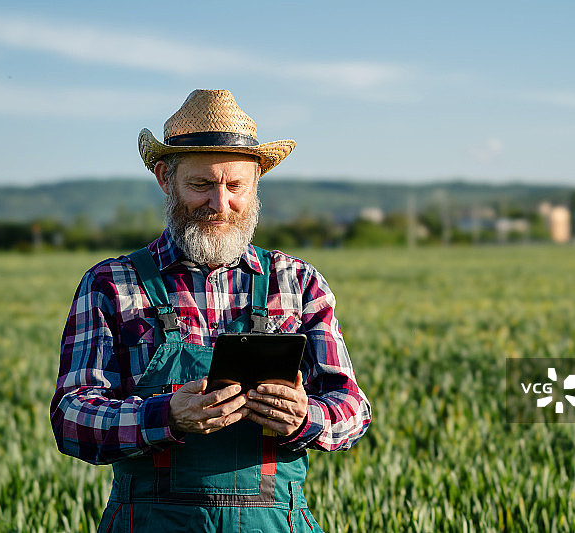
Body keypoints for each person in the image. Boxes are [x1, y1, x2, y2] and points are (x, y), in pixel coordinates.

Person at [50, 89, 371, 532]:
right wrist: (164, 416)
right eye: (201, 185)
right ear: (166, 178)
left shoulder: (297, 282)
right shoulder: (111, 284)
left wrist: (304, 417)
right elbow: (70, 419)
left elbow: (352, 407)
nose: (220, 204)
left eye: (236, 185)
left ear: (256, 182)